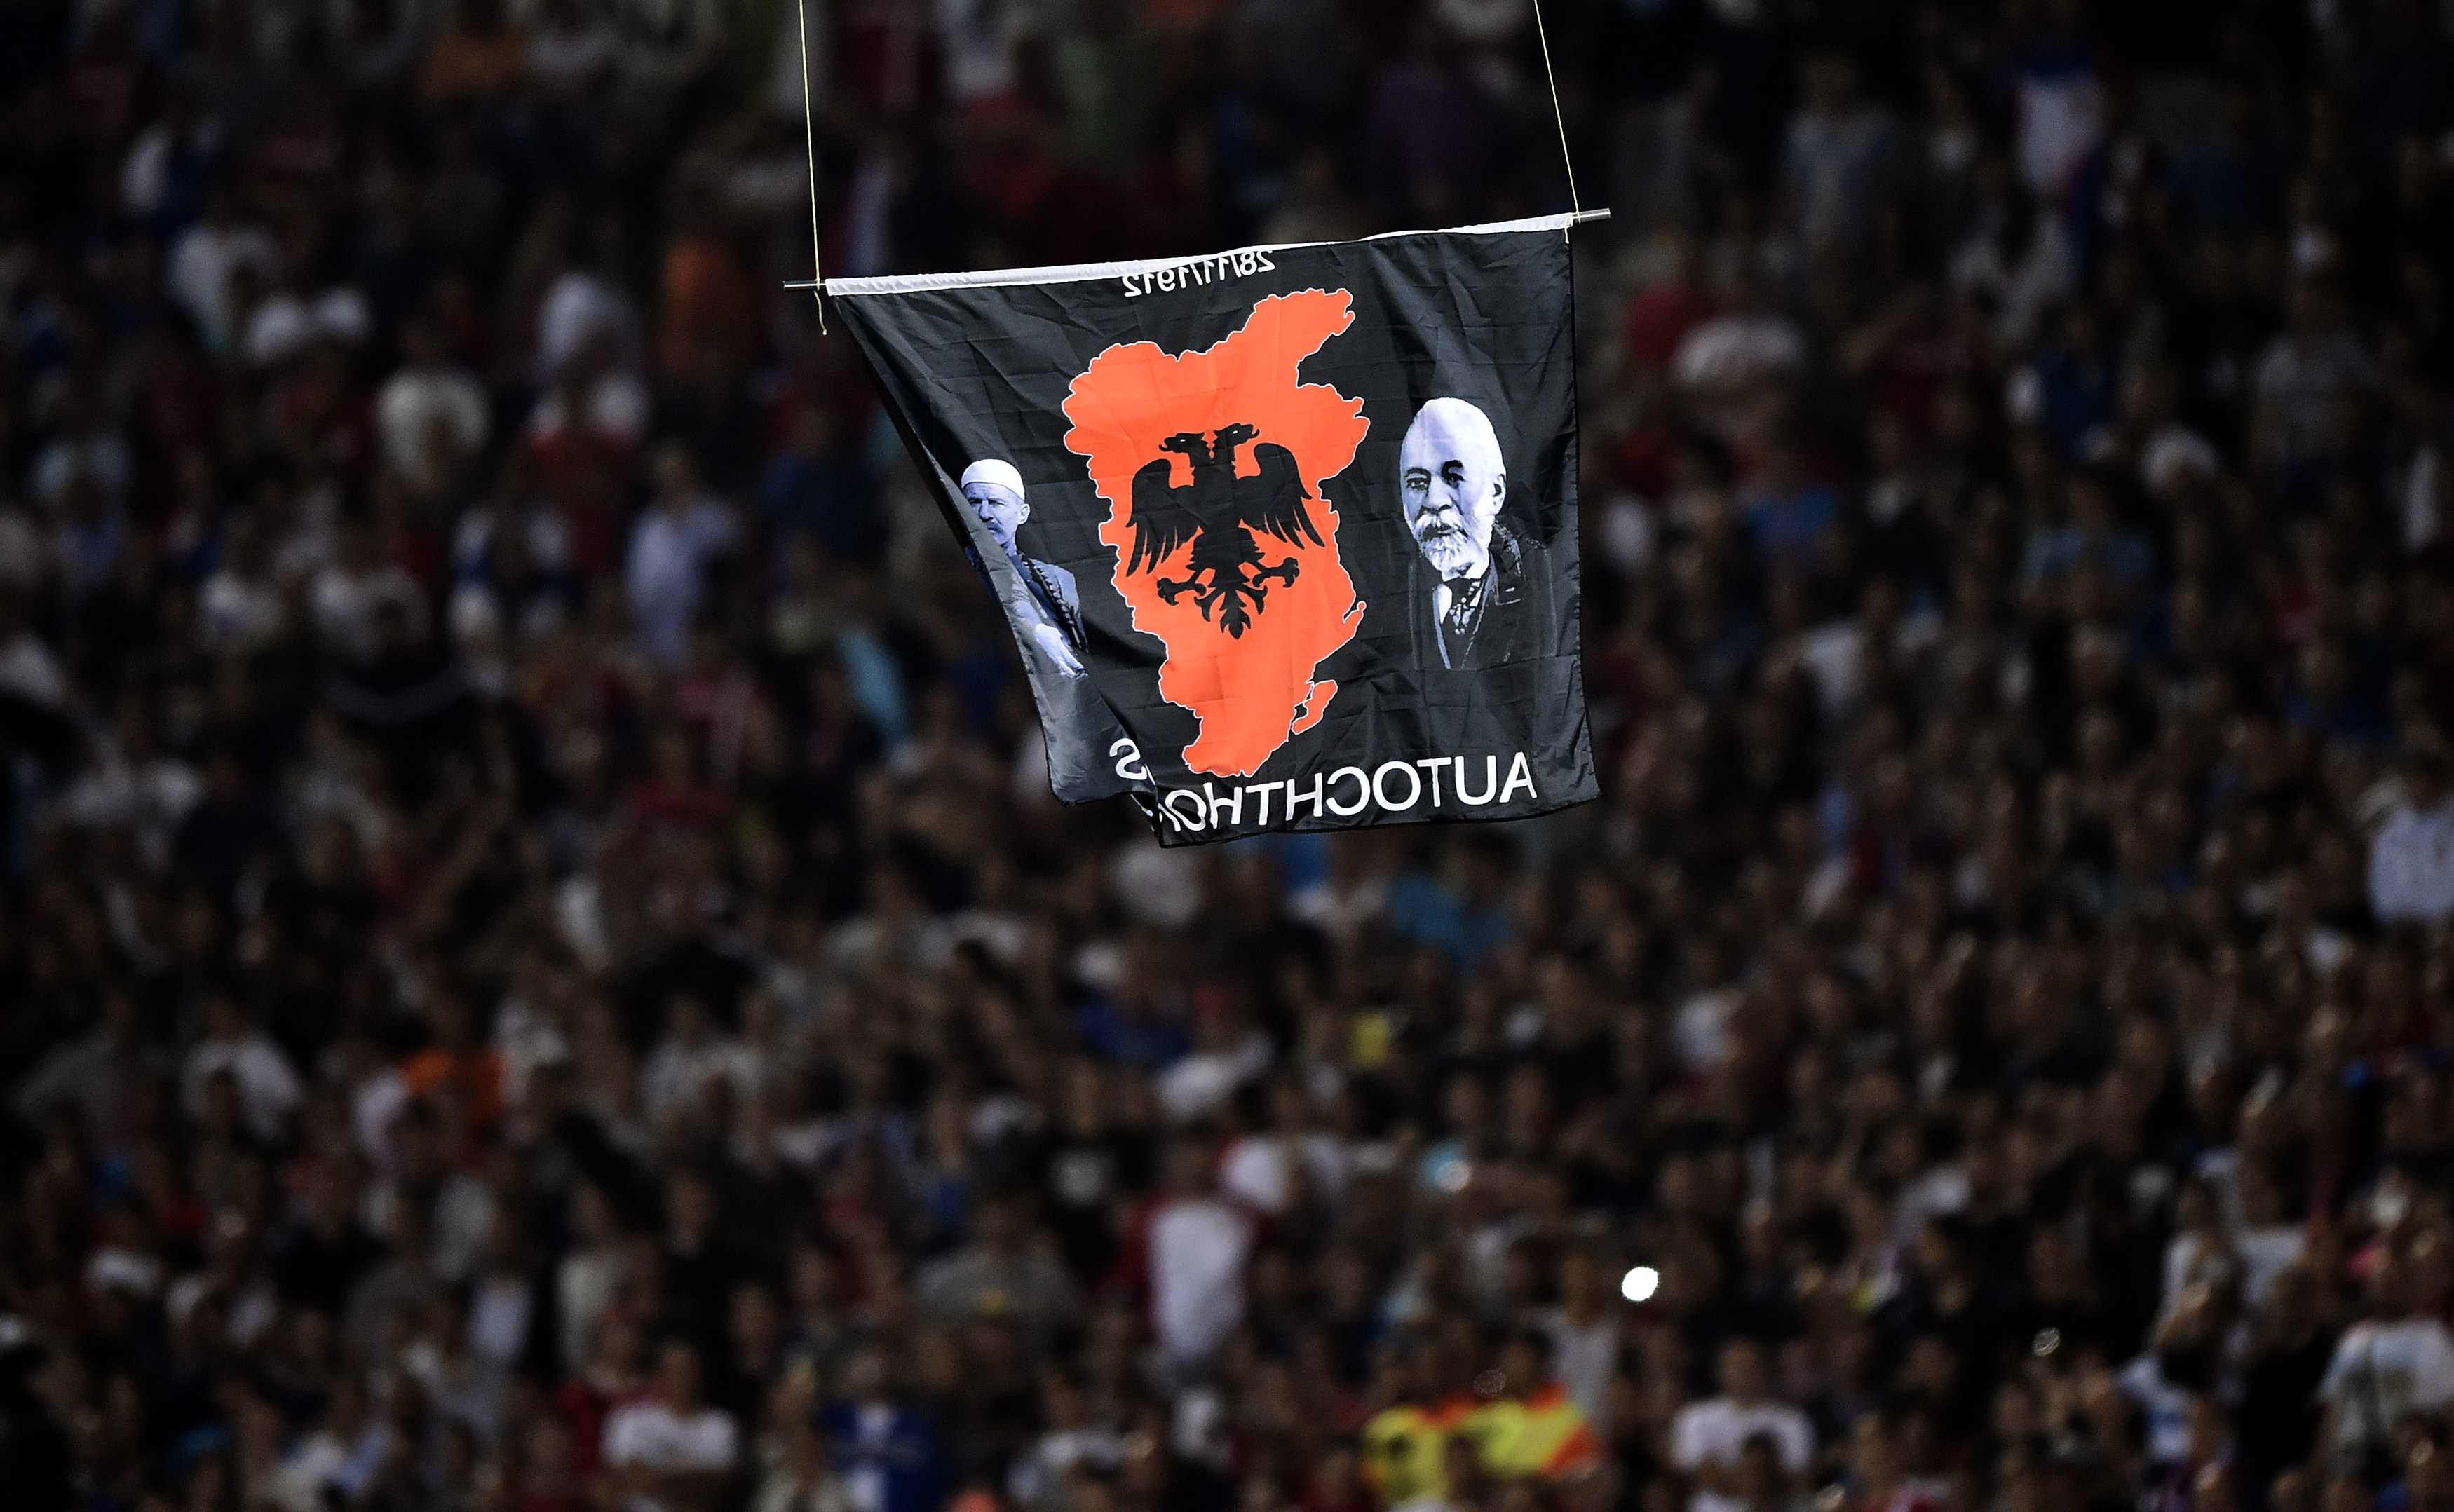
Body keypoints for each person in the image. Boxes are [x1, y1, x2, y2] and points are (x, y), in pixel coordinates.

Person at [1397, 398, 1562, 672]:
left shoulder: (1544, 580)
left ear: (1495, 492)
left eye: (1454, 477)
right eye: (1417, 483)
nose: (1434, 500)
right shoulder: (1384, 591)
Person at [961, 461, 1087, 677]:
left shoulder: (1058, 580)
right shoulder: (952, 571)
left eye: (995, 502)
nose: (984, 513)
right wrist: (1035, 631)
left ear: (1022, 513)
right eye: (974, 502)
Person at [603, 1338, 741, 1512]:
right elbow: (625, 1477)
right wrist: (689, 1484)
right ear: (659, 1376)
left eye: (689, 1371)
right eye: (675, 1371)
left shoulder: (721, 1425)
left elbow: (718, 1485)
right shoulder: (629, 1420)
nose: (683, 1378)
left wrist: (654, 1479)